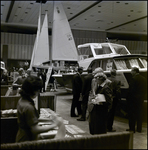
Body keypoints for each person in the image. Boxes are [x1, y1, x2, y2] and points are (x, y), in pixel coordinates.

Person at [16, 75, 65, 142]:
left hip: (22, 137)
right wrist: (55, 125)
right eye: (38, 90)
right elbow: (35, 129)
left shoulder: (22, 100)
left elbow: (30, 119)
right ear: (33, 90)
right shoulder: (28, 107)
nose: (38, 93)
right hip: (27, 140)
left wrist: (50, 119)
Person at [126, 66, 147, 133]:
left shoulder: (133, 79)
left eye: (132, 71)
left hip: (133, 100)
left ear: (135, 71)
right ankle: (139, 128)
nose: (131, 72)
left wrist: (128, 98)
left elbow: (131, 90)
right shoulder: (144, 79)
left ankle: (132, 129)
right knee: (139, 114)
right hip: (141, 99)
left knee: (132, 114)